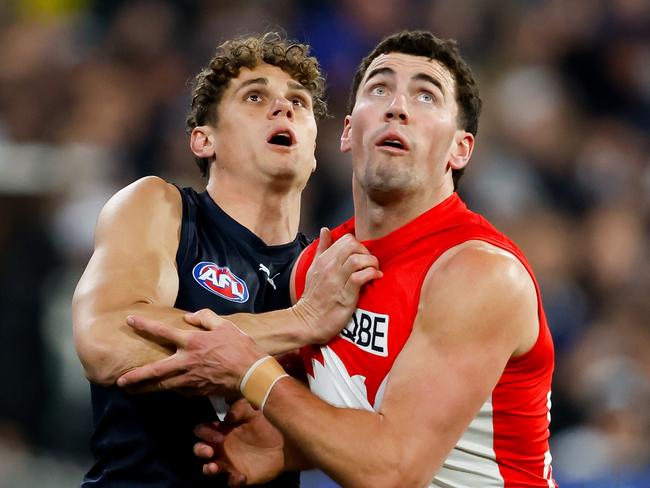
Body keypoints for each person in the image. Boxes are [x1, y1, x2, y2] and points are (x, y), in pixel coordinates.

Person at [118, 30, 557, 487]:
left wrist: (253, 369)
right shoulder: (320, 268)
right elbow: (348, 420)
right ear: (348, 131)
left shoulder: (478, 272)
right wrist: (284, 450)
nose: (397, 106)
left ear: (459, 149)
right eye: (379, 88)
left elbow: (394, 471)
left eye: (426, 95)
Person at [72, 32, 381, 487]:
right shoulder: (161, 208)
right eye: (255, 96)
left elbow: (377, 437)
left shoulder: (325, 271)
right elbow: (106, 343)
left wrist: (290, 450)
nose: (285, 108)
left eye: (299, 101)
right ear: (203, 140)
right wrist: (301, 322)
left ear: (315, 150)